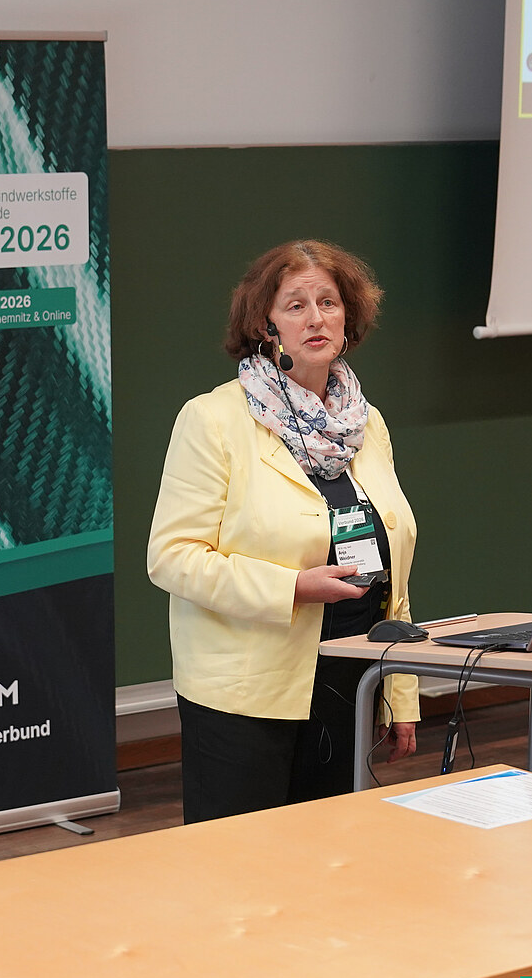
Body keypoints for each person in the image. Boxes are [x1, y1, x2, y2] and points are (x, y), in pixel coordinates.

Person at [148, 240, 420, 823]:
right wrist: (291, 588)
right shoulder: (214, 419)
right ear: (264, 324)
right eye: (296, 305)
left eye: (329, 302)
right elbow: (172, 556)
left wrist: (400, 693)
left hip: (351, 680)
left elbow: (390, 564)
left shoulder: (366, 424)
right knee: (243, 864)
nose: (315, 318)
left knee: (330, 855)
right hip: (247, 693)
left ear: (349, 316)